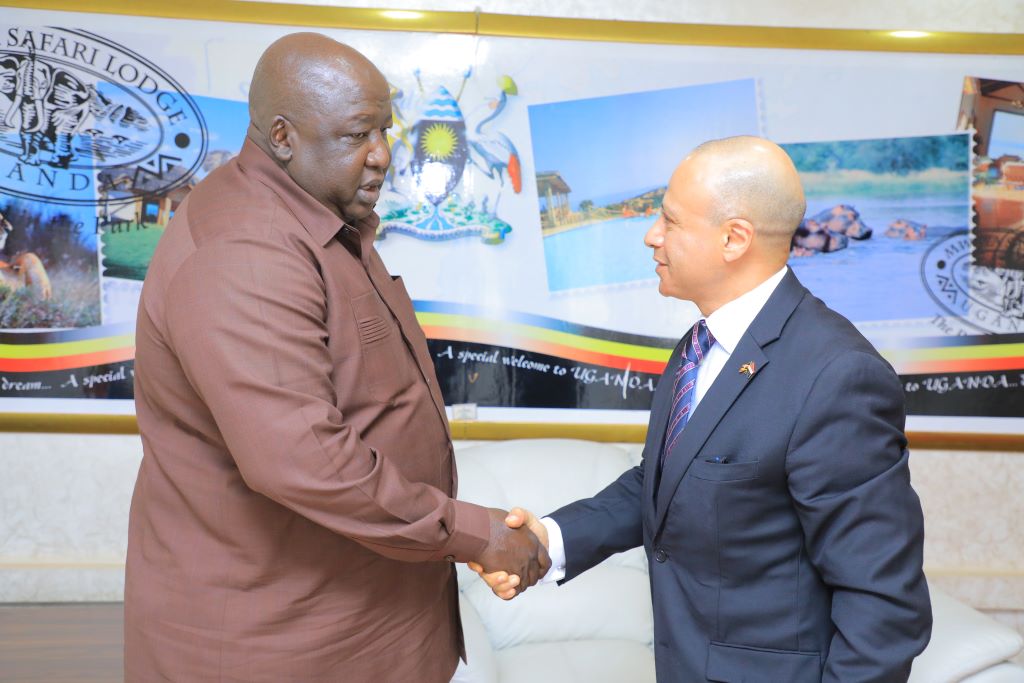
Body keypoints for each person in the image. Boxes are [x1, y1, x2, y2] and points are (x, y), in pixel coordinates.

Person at [125, 33, 548, 682]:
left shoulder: (317, 214)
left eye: (385, 129)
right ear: (283, 136)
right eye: (357, 136)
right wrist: (478, 532)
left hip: (372, 620)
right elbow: (304, 459)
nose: (382, 156)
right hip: (281, 641)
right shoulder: (246, 250)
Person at [473, 136, 932, 682]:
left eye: (669, 221)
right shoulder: (701, 345)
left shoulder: (837, 376)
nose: (651, 237)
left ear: (734, 239)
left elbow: (882, 604)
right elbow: (666, 482)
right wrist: (548, 539)